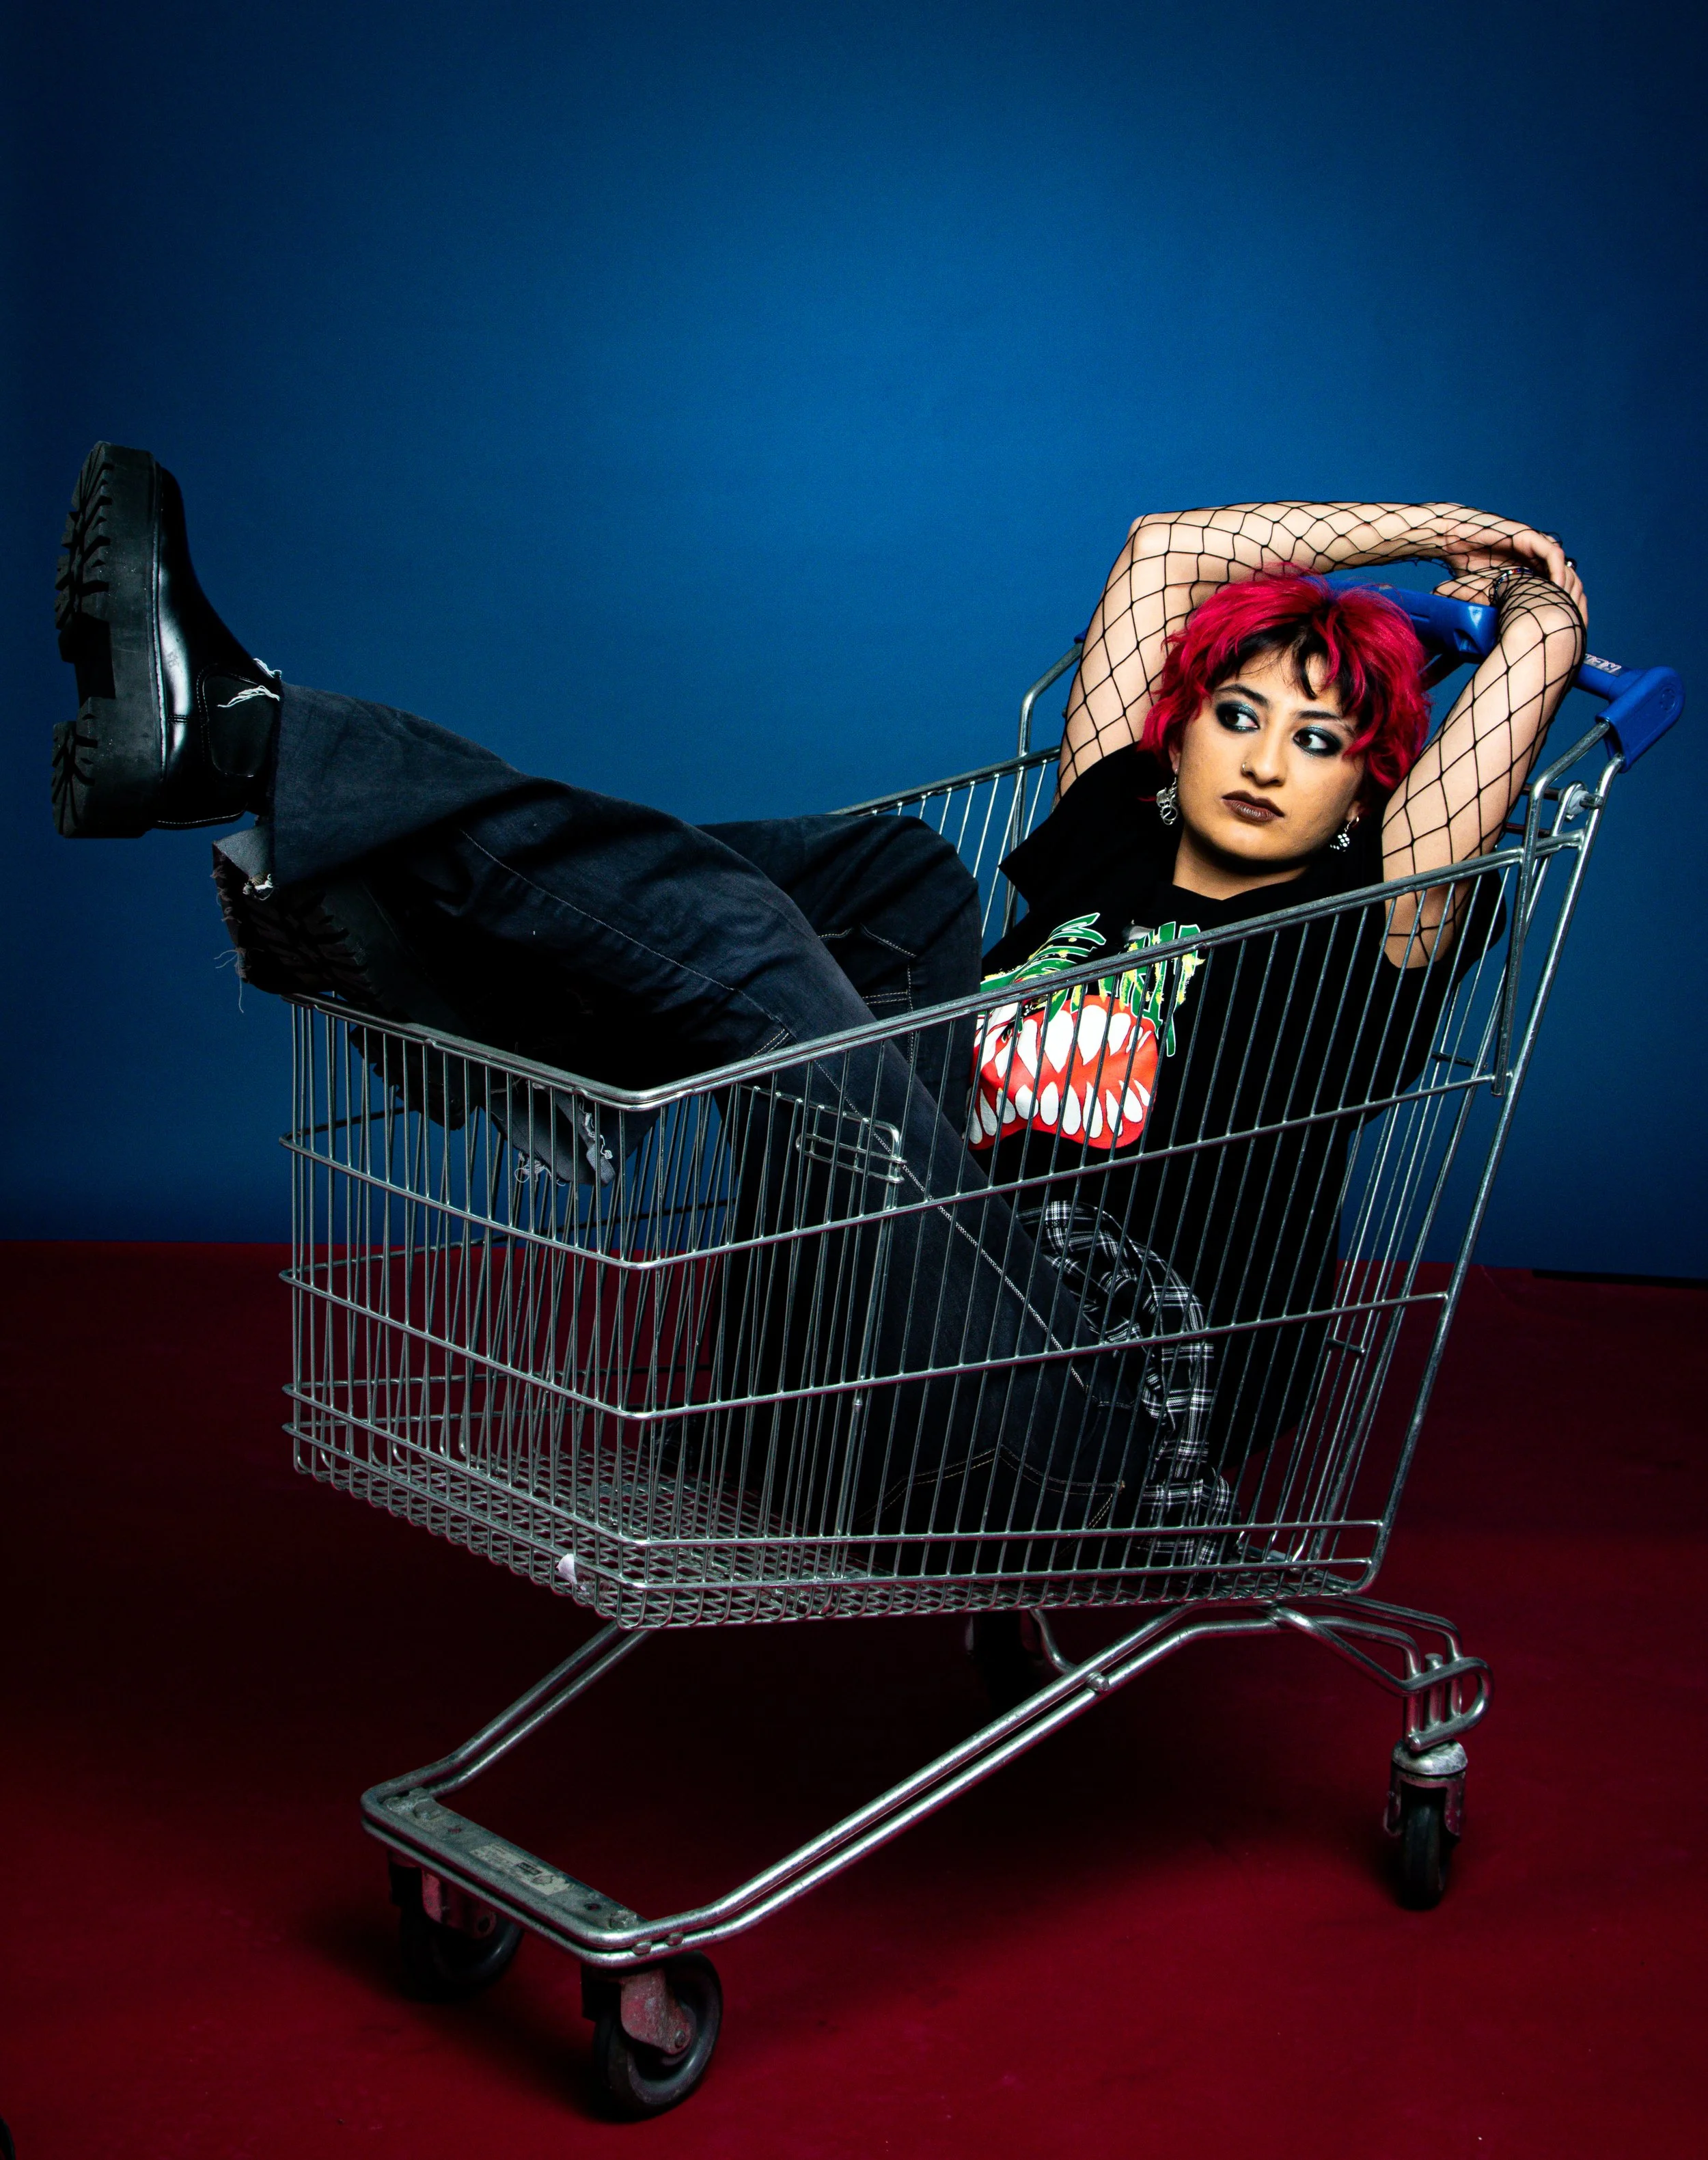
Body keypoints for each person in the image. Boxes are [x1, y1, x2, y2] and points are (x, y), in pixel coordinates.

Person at [49, 452, 1587, 1637]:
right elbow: (1167, 553)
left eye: (1319, 741)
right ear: (1173, 732)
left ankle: (282, 768)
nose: (1264, 758)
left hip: (1072, 1402)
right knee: (893, 875)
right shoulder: (1106, 834)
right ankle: (453, 951)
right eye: (1238, 713)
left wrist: (1534, 592)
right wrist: (1424, 517)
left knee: (769, 973)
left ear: (1368, 787)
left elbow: (1517, 676)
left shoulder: (1368, 919)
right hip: (851, 1342)